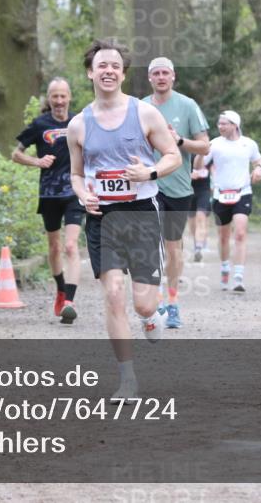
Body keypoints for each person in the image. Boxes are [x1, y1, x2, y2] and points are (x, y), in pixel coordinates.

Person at [67, 40, 181, 398]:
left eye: (115, 66)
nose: (109, 71)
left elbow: (173, 155)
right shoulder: (78, 125)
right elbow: (76, 174)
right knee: (114, 294)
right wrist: (82, 194)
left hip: (141, 213)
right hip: (102, 217)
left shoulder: (145, 114)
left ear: (123, 74)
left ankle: (150, 316)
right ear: (91, 72)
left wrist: (149, 173)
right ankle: (127, 378)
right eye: (102, 65)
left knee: (143, 302)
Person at [143, 57, 210, 329]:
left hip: (179, 188)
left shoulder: (187, 105)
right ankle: (157, 301)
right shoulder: (139, 107)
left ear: (173, 76)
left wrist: (179, 140)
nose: (161, 77)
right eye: (156, 73)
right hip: (148, 187)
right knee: (152, 245)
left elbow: (205, 146)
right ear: (150, 78)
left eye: (165, 73)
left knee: (172, 248)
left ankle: (173, 303)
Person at [12, 78, 83, 324]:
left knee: (71, 246)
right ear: (49, 99)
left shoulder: (80, 122)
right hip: (49, 193)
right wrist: (37, 161)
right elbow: (16, 154)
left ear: (69, 97)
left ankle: (70, 303)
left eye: (63, 96)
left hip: (74, 191)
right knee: (54, 247)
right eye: (55, 96)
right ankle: (61, 289)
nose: (59, 101)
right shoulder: (40, 124)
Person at [206, 110, 261, 292]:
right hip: (220, 194)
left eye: (224, 123)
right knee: (223, 237)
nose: (220, 127)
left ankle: (238, 277)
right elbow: (200, 164)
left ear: (235, 125)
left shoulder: (248, 144)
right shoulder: (214, 144)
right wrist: (199, 154)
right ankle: (225, 267)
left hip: (242, 193)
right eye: (219, 123)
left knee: (240, 233)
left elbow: (258, 161)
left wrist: (259, 169)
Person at [188, 153, 211, 262]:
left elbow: (215, 169)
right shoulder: (185, 152)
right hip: (188, 190)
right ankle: (196, 242)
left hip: (204, 191)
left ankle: (199, 247)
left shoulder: (209, 154)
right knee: (192, 221)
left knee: (201, 217)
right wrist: (189, 175)